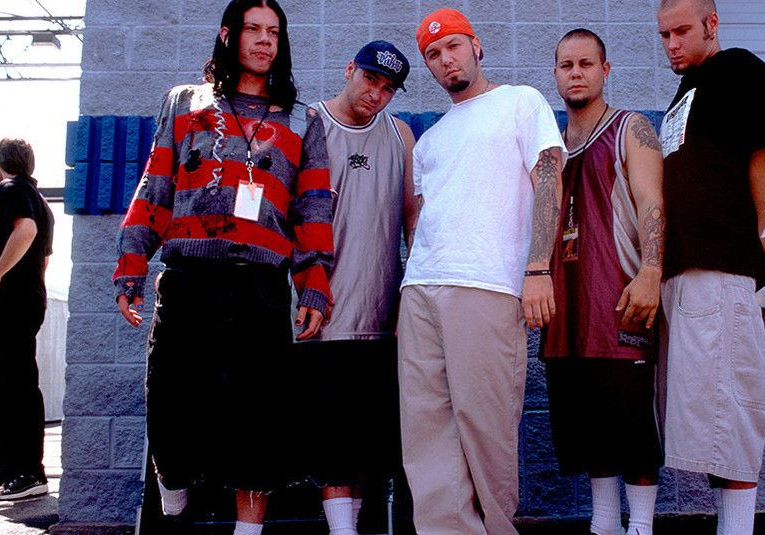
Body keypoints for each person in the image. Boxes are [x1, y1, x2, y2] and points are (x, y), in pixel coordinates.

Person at [112, 1, 333, 533]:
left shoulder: (304, 120)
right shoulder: (184, 102)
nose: (264, 41)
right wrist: (131, 264)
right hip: (189, 282)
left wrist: (314, 288)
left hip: (260, 288)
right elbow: (155, 185)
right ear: (228, 36)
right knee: (170, 413)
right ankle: (175, 505)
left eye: (273, 32)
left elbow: (313, 212)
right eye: (253, 29)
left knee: (256, 425)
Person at [397, 8, 566, 535]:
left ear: (476, 46)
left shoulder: (521, 101)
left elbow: (549, 179)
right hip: (420, 289)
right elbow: (421, 223)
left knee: (485, 425)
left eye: (453, 46)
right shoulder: (430, 140)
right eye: (433, 54)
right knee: (426, 433)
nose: (445, 59)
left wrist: (537, 268)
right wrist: (407, 290)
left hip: (486, 285)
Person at [656, 1, 765, 534]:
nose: (672, 43)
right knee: (708, 421)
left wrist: (747, 239)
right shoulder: (684, 91)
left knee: (732, 412)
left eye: (682, 31)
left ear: (712, 24)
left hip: (717, 273)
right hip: (683, 273)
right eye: (664, 34)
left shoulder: (739, 68)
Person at [544, 28, 666, 535]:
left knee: (631, 427)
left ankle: (641, 526)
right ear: (555, 75)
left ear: (605, 70)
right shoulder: (552, 146)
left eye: (586, 64)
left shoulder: (630, 127)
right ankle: (604, 524)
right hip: (567, 311)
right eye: (566, 65)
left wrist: (651, 270)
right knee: (588, 432)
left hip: (620, 299)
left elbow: (653, 201)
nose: (576, 73)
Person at [302, 40, 417, 535]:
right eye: (370, 79)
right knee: (332, 445)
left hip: (381, 316)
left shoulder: (400, 135)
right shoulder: (309, 124)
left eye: (388, 88)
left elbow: (414, 222)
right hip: (321, 313)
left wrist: (412, 297)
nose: (376, 93)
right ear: (350, 69)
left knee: (372, 446)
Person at [0, 138, 54, 501]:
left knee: (18, 385)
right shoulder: (40, 200)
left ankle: (29, 472)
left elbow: (26, 231)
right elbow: (44, 257)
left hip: (12, 300)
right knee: (10, 384)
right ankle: (9, 468)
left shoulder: (11, 190)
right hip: (28, 298)